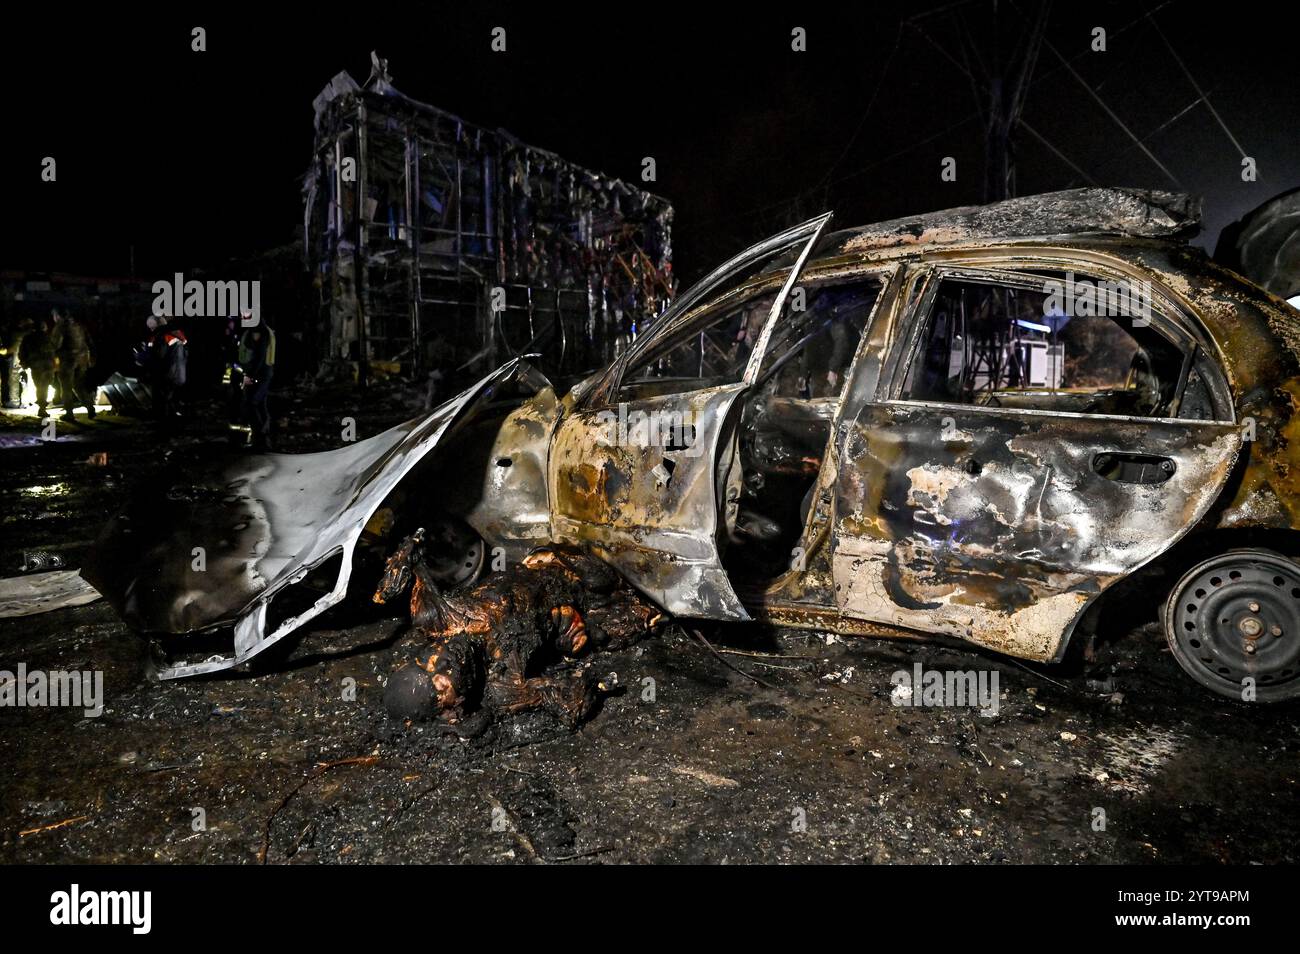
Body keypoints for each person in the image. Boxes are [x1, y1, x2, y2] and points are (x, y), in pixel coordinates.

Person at [237, 318, 275, 451]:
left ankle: (261, 437)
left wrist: (250, 376)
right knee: (258, 404)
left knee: (253, 403)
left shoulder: (261, 333)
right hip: (256, 373)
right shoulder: (252, 332)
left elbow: (259, 357)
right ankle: (262, 439)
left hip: (260, 374)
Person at [52, 306, 96, 420]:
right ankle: (90, 408)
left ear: (57, 316)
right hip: (82, 360)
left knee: (66, 387)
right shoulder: (79, 325)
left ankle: (69, 413)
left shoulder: (60, 327)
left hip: (67, 360)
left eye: (54, 316)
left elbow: (56, 345)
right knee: (79, 386)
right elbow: (89, 341)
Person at [19, 316, 57, 419]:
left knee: (40, 386)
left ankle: (42, 407)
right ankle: (42, 407)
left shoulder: (28, 338)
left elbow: (22, 352)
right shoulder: (49, 337)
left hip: (36, 365)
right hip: (48, 366)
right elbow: (55, 351)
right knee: (44, 386)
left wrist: (24, 362)